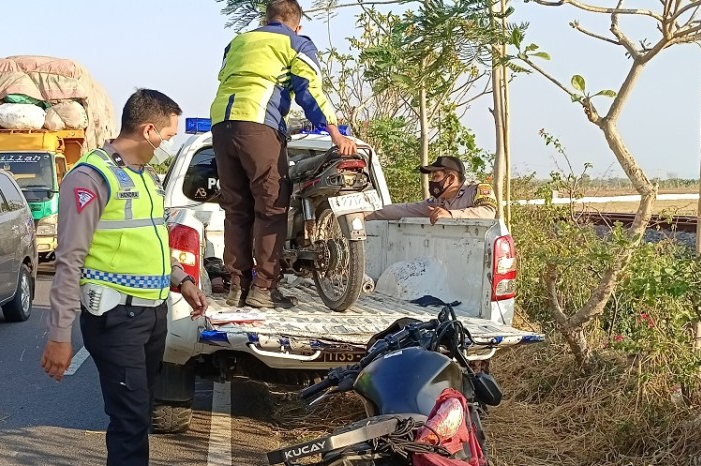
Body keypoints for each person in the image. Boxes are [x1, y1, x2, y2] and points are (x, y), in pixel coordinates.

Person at [40, 89, 208, 466]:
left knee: (136, 417)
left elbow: (151, 239)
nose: (170, 145)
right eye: (169, 136)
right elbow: (69, 261)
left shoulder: (144, 177)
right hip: (115, 321)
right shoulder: (90, 178)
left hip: (151, 314)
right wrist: (58, 335)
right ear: (148, 131)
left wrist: (183, 281)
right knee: (133, 423)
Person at [209, 0, 357, 310]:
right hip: (259, 125)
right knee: (272, 206)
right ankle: (263, 289)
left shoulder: (238, 42)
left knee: (237, 210)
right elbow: (309, 90)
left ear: (264, 19)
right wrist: (335, 133)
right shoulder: (295, 42)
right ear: (297, 24)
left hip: (221, 126)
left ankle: (238, 286)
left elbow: (226, 76)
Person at [365, 155, 498, 225]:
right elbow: (405, 209)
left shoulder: (475, 191)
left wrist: (450, 215)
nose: (432, 181)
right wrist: (367, 213)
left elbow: (488, 212)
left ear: (451, 178)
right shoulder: (437, 201)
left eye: (436, 176)